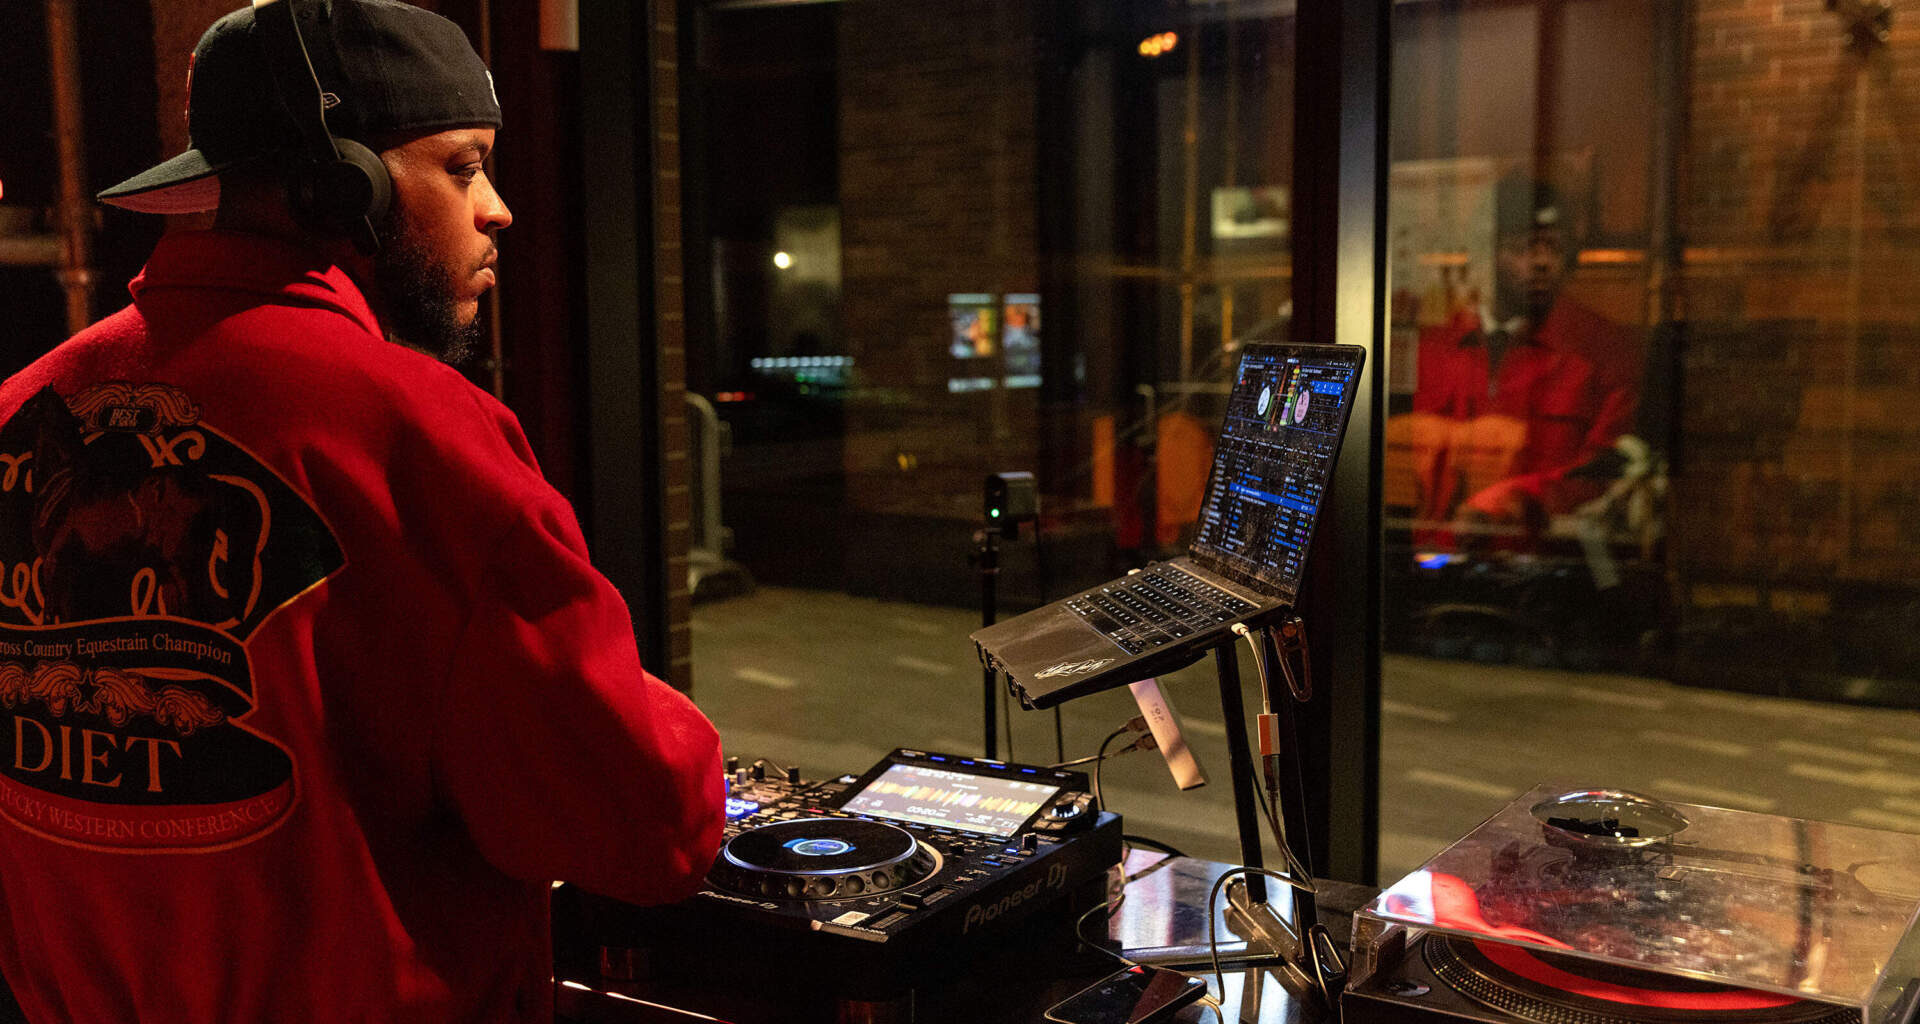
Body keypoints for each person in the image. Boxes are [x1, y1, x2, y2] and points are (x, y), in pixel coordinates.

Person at [0, 2, 723, 1021]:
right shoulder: (420, 433)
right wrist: (672, 726)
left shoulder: (21, 409)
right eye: (464, 166)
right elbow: (646, 828)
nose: (498, 207)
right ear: (344, 189)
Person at [1409, 175, 1640, 551]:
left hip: (1545, 570)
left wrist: (1513, 499)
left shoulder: (1606, 349)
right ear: (1487, 254)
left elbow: (1607, 470)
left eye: (1554, 248)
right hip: (1433, 567)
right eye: (1523, 248)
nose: (1542, 263)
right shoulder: (1433, 347)